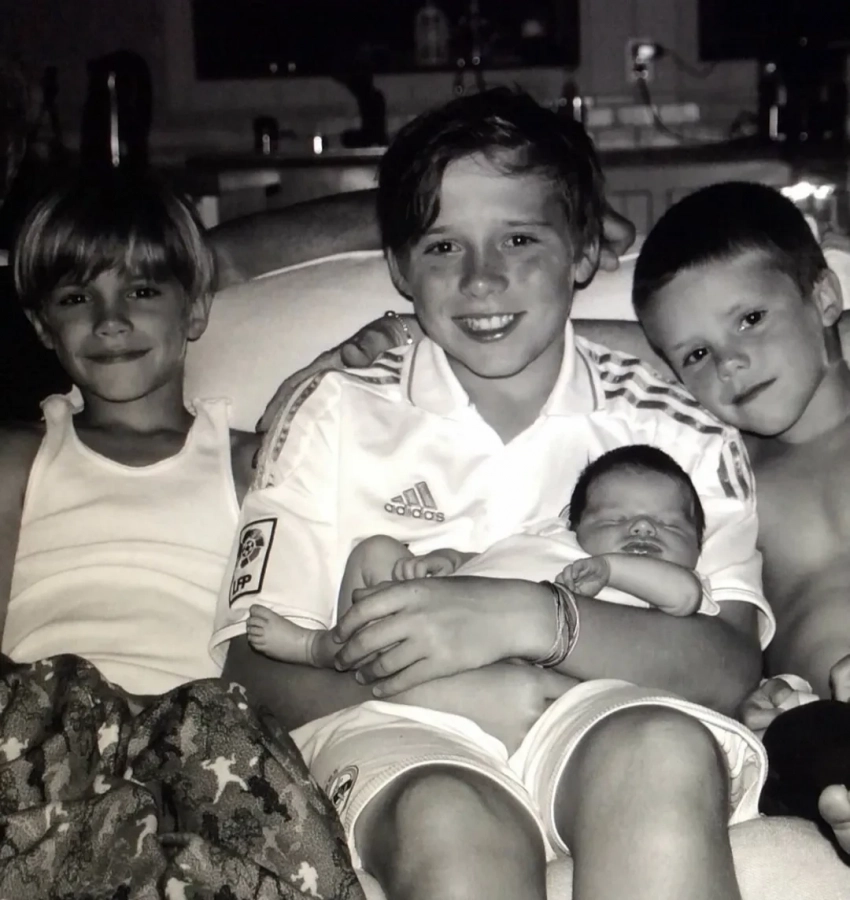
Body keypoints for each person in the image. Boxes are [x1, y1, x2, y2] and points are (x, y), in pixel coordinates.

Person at [215, 87, 768, 900]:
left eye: (518, 238)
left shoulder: (680, 424)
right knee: (447, 817)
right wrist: (464, 686)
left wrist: (530, 618)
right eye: (443, 247)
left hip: (609, 711)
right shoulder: (332, 411)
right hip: (395, 728)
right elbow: (253, 669)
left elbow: (730, 661)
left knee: (661, 750)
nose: (482, 279)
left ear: (583, 251)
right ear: (400, 268)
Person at [0, 170, 365, 899]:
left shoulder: (253, 462)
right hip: (44, 725)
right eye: (75, 299)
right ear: (43, 327)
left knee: (225, 745)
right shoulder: (19, 457)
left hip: (198, 734)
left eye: (141, 292)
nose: (109, 321)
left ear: (195, 309)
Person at [628, 180, 850, 857]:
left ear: (824, 297)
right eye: (696, 355)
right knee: (805, 741)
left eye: (750, 319)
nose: (730, 362)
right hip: (823, 726)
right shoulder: (722, 487)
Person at [247, 443, 713, 667]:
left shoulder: (668, 587)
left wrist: (612, 568)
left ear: (698, 545)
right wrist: (452, 561)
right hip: (445, 604)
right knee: (376, 552)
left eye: (670, 525)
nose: (643, 528)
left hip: (502, 657)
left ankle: (328, 653)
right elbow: (500, 560)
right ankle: (323, 647)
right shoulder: (551, 537)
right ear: (571, 523)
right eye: (615, 519)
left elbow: (684, 595)